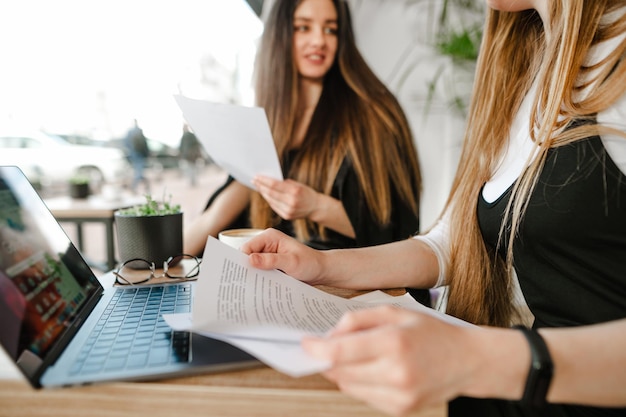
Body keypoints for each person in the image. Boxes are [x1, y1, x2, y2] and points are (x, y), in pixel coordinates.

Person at [242, 1, 626, 416]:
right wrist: (321, 265)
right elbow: (448, 245)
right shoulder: (526, 72)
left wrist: (475, 356)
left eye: (329, 29)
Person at [184, 0, 429, 304]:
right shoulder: (273, 122)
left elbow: (393, 231)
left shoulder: (374, 113)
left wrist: (314, 206)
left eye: (330, 29)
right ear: (281, 35)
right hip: (287, 292)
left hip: (361, 293)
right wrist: (154, 261)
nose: (318, 40)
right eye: (303, 27)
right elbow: (220, 214)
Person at [124, 118, 150, 193]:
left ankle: (146, 186)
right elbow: (144, 143)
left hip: (133, 154)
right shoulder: (139, 131)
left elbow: (126, 144)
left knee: (139, 171)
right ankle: (134, 186)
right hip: (140, 154)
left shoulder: (129, 132)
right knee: (139, 171)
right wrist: (147, 153)